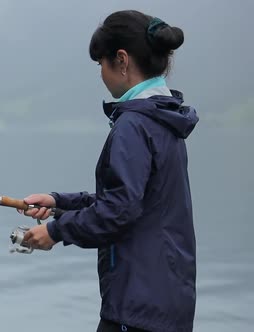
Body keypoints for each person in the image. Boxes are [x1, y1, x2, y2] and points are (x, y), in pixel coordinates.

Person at [19, 10, 198, 332]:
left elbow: (119, 209)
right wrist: (59, 202)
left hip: (136, 307)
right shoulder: (166, 118)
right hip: (168, 302)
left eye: (100, 64)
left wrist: (56, 232)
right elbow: (134, 201)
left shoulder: (134, 124)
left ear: (122, 60)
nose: (101, 73)